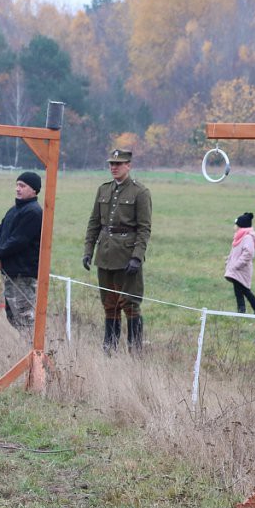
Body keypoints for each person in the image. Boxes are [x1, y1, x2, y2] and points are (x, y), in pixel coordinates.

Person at [82, 148, 152, 355]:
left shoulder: (140, 192)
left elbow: (144, 228)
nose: (114, 167)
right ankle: (109, 349)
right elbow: (94, 223)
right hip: (104, 255)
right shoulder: (103, 190)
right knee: (109, 304)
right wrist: (88, 250)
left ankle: (135, 350)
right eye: (111, 164)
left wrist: (137, 257)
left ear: (128, 165)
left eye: (118, 164)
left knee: (130, 305)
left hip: (127, 257)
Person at [0, 172, 43, 336]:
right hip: (11, 270)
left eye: (23, 186)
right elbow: (1, 230)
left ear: (34, 190)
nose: (18, 189)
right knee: (12, 316)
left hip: (24, 272)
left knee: (24, 317)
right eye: (17, 184)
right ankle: (26, 350)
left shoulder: (33, 212)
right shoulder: (14, 210)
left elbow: (19, 240)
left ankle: (34, 354)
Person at [225, 212, 255, 315]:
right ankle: (241, 309)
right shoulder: (239, 237)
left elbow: (248, 253)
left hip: (242, 269)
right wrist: (229, 261)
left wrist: (236, 265)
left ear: (241, 226)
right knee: (238, 290)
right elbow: (234, 252)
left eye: (236, 224)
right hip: (236, 269)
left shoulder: (247, 238)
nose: (234, 226)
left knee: (245, 290)